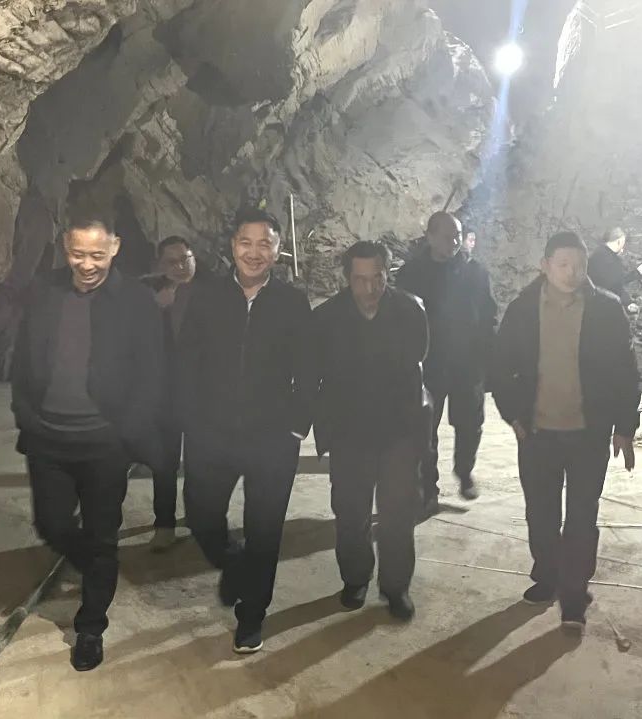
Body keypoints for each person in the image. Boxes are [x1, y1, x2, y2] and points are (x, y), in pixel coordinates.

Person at [10, 218, 165, 671]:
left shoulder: (136, 300)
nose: (87, 265)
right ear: (65, 246)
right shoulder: (45, 290)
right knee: (51, 524)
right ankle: (97, 566)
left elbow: (153, 370)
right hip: (47, 435)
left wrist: (128, 433)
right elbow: (24, 355)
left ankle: (90, 627)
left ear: (115, 247)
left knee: (101, 536)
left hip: (104, 442)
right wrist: (25, 411)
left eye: (97, 254)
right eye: (78, 254)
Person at [176, 208, 312, 654]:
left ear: (277, 249)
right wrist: (190, 418)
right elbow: (187, 360)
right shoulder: (206, 297)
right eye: (246, 242)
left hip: (272, 438)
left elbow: (308, 369)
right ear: (232, 245)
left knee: (265, 530)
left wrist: (298, 426)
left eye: (265, 244)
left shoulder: (292, 302)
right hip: (211, 433)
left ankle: (252, 614)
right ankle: (233, 563)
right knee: (201, 516)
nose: (254, 253)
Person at [492, 231, 640, 634]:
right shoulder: (524, 309)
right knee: (541, 514)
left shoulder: (606, 309)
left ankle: (574, 595)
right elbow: (500, 365)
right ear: (545, 265)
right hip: (537, 432)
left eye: (579, 265)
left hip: (588, 433)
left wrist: (625, 426)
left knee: (581, 516)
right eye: (563, 265)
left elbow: (625, 371)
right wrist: (513, 414)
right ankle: (547, 575)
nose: (572, 273)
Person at [310, 241, 429, 621]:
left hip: (398, 432)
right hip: (349, 433)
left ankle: (396, 587)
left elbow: (419, 359)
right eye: (359, 279)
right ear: (347, 278)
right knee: (350, 512)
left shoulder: (410, 310)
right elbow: (316, 375)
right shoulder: (327, 318)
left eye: (377, 277)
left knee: (398, 514)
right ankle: (355, 578)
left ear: (387, 273)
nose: (369, 287)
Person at [396, 211, 497, 514]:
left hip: (467, 365)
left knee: (470, 424)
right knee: (424, 430)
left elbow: (488, 314)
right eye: (447, 236)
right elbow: (402, 318)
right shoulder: (412, 274)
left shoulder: (475, 272)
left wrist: (487, 356)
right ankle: (428, 488)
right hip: (428, 365)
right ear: (430, 236)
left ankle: (464, 471)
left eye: (457, 236)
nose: (454, 242)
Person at [142, 236, 203, 551]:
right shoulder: (148, 292)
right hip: (163, 395)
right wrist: (155, 308)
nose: (180, 266)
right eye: (172, 261)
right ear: (160, 265)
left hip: (201, 394)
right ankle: (164, 525)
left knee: (199, 461)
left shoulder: (214, 292)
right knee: (164, 463)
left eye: (185, 258)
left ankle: (196, 517)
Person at [587, 227, 642, 313]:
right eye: (623, 242)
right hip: (602, 307)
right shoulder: (612, 260)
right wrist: (628, 303)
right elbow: (615, 285)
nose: (623, 247)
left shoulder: (597, 253)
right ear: (619, 241)